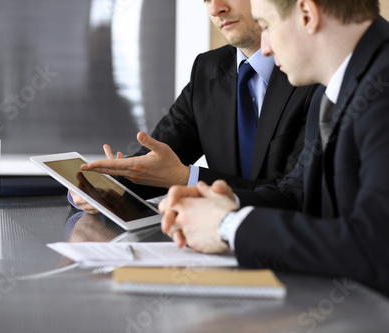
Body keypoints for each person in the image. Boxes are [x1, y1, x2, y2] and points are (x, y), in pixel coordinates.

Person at [160, 0, 389, 296]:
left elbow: (378, 247)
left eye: (266, 26)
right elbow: (295, 196)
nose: (264, 48)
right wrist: (217, 205)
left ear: (307, 14)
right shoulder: (331, 93)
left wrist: (229, 225)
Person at [70, 0, 317, 213]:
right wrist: (102, 186)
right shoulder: (207, 68)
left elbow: (295, 193)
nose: (216, 9)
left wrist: (187, 179)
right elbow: (159, 160)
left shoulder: (315, 70)